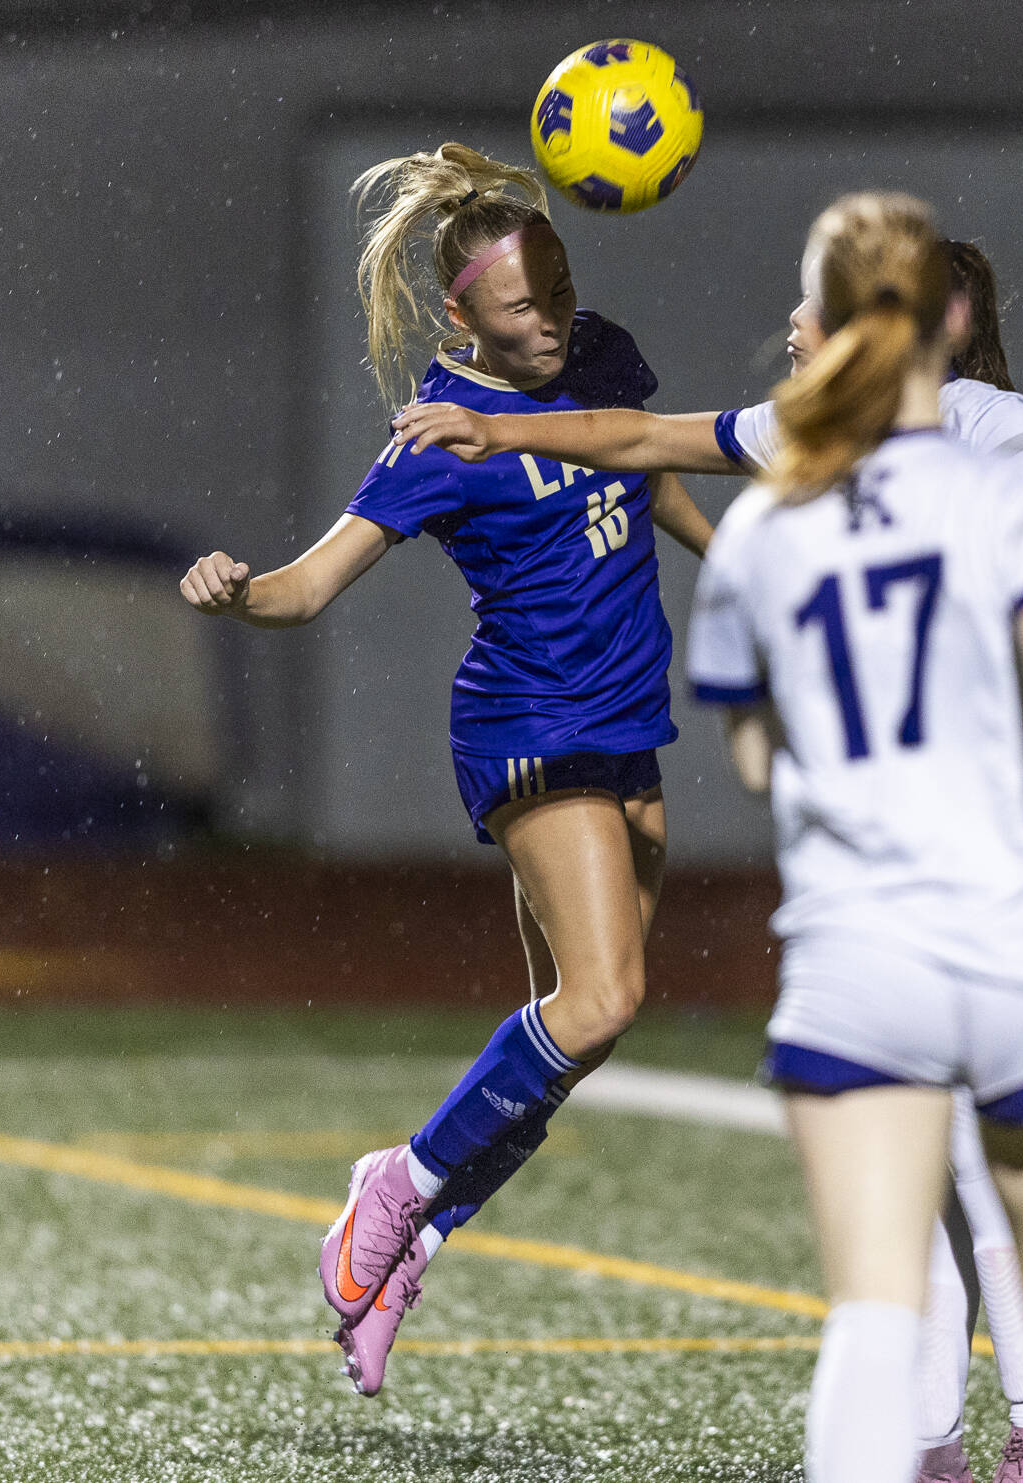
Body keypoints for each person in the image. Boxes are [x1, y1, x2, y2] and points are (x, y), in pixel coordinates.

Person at [393, 235, 1023, 1481]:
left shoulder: (965, 417)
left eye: (814, 304)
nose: (792, 320)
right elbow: (642, 440)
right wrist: (506, 433)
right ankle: (936, 1449)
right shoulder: (819, 436)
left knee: (956, 1128)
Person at [176, 143, 714, 1398]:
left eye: (563, 296)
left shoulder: (599, 360)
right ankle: (399, 1185)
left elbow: (650, 473)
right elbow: (306, 589)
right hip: (531, 726)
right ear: (460, 312)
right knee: (602, 1001)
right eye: (525, 309)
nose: (553, 324)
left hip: (631, 721)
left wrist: (742, 564)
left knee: (571, 1038)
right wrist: (235, 590)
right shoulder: (435, 435)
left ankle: (412, 1241)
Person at [685, 190, 1023, 1483]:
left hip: (862, 948)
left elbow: (753, 748)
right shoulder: (1001, 491)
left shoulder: (763, 525)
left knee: (874, 1308)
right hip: (1014, 928)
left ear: (825, 320)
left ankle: (931, 1454)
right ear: (952, 318)